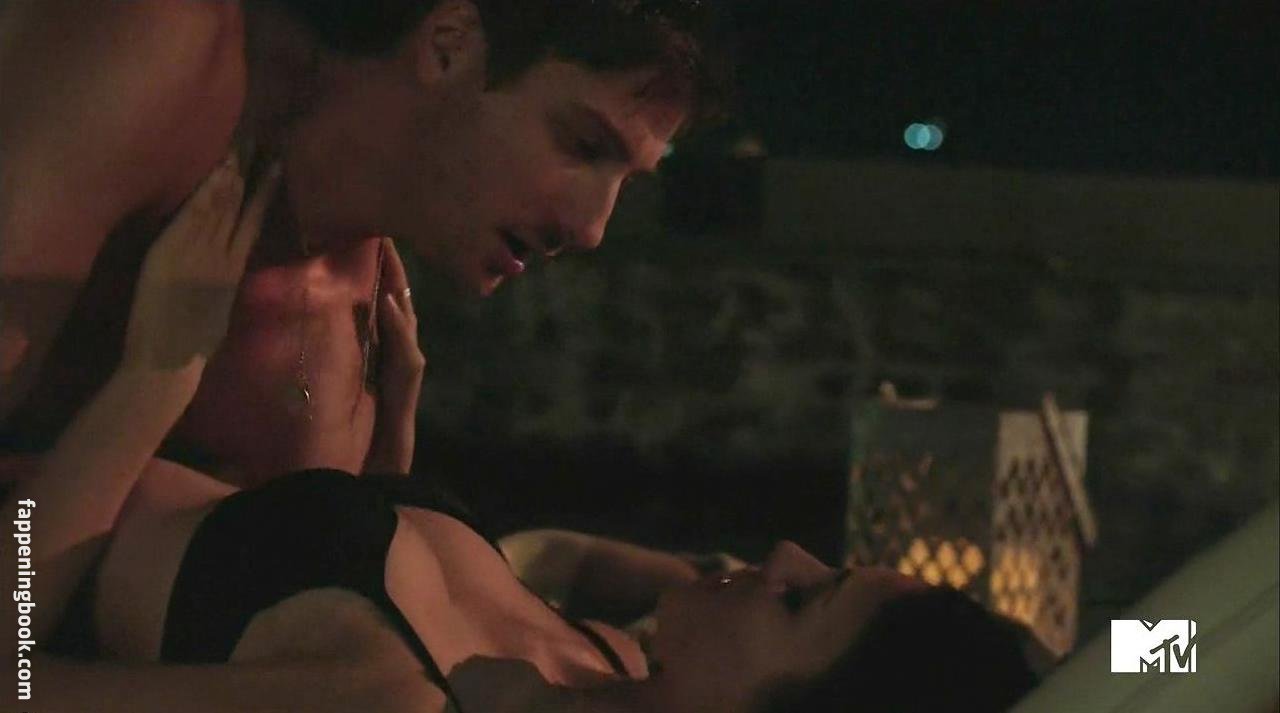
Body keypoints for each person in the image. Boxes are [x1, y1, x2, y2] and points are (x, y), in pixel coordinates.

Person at [4, 152, 1040, 713]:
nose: (782, 552)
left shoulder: (383, 702)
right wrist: (390, 451)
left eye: (803, 597)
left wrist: (153, 378)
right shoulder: (604, 657)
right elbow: (539, 557)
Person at [1, 0, 733, 691]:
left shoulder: (356, 351)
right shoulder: (160, 57)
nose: (594, 228)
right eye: (582, 145)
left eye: (627, 179)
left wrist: (389, 504)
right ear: (449, 46)